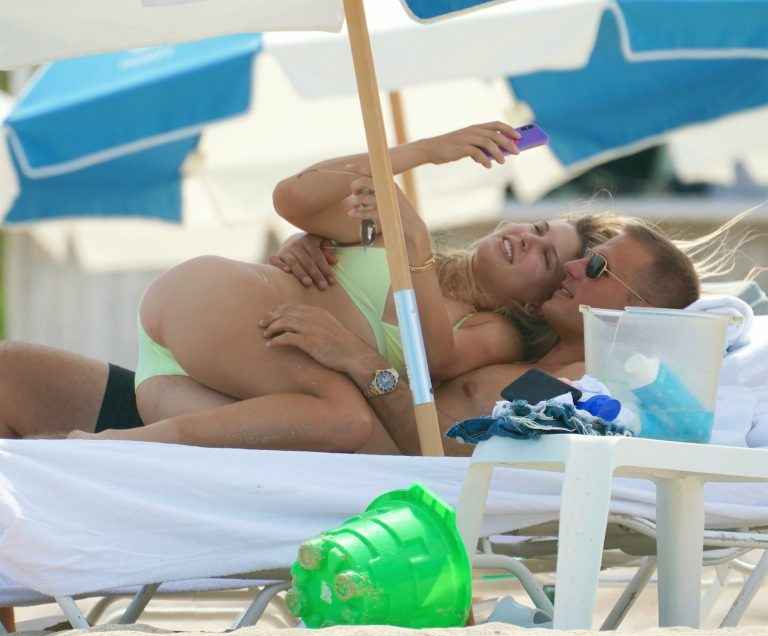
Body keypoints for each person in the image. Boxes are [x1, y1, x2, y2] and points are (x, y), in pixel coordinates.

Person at [60, 122, 633, 452]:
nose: (525, 239)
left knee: (288, 442)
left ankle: (91, 453)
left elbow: (433, 358)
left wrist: (414, 242)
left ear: (536, 301)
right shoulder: (392, 239)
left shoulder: (493, 328)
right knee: (346, 420)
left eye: (544, 256)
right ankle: (101, 449)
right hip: (216, 304)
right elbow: (293, 196)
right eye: (536, 229)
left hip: (181, 377)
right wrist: (422, 153)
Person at [260, 224, 701, 454]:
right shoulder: (519, 345)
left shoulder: (577, 391)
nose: (572, 268)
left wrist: (360, 360)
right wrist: (316, 245)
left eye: (596, 267)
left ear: (637, 314)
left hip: (349, 447)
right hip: (314, 412)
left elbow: (450, 450)